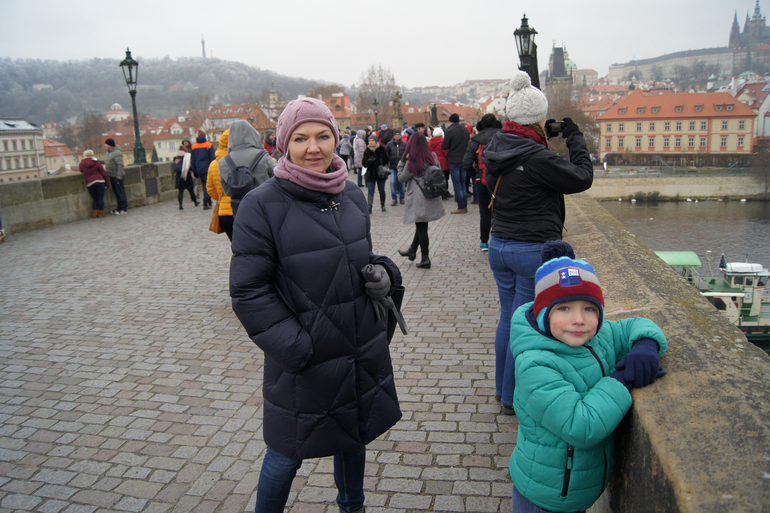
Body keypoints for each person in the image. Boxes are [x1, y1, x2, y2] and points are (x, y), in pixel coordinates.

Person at [229, 97, 402, 513]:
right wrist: (298, 348)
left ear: (335, 139)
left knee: (353, 436)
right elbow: (249, 292)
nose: (313, 148)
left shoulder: (352, 195)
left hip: (357, 349)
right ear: (284, 144)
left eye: (322, 136)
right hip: (306, 359)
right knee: (286, 452)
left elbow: (360, 257)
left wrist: (383, 273)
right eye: (301, 138)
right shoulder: (261, 205)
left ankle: (352, 507)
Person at [509, 240, 667, 513]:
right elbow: (581, 426)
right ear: (544, 313)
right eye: (564, 308)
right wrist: (622, 380)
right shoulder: (535, 364)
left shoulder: (597, 336)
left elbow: (636, 324)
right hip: (547, 495)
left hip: (574, 488)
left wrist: (645, 346)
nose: (579, 320)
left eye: (589, 308)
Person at [482, 70, 594, 415]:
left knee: (507, 318)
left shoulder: (496, 146)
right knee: (526, 324)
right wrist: (575, 138)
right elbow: (582, 177)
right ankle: (512, 398)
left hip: (500, 245)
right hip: (530, 249)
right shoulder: (536, 157)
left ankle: (502, 389)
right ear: (537, 118)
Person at [396, 132, 445, 269]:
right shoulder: (432, 156)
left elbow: (401, 177)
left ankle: (425, 258)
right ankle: (412, 250)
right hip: (431, 195)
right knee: (421, 225)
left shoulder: (413, 160)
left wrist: (402, 161)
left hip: (419, 198)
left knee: (422, 228)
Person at [218, 120, 276, 220]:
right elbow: (278, 176)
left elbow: (227, 190)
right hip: (266, 207)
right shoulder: (263, 156)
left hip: (240, 211)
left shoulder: (223, 162)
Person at [462, 114, 501, 252]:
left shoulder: (475, 141)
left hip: (481, 180)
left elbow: (466, 163)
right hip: (501, 180)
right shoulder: (503, 137)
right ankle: (500, 240)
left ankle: (484, 242)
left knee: (485, 213)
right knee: (502, 211)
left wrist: (475, 175)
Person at [442, 113, 470, 214]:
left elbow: (445, 146)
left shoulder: (450, 131)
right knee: (463, 183)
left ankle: (461, 206)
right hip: (464, 158)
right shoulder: (465, 130)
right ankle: (465, 205)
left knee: (457, 184)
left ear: (450, 121)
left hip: (454, 160)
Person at [206, 130, 231, 237]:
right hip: (242, 210)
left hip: (224, 212)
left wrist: (222, 199)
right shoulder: (242, 160)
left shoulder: (213, 164)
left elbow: (210, 189)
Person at [78, 149, 109, 218]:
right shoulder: (97, 162)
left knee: (95, 198)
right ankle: (101, 213)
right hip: (100, 181)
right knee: (100, 198)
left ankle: (95, 213)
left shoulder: (82, 164)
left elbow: (81, 170)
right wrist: (107, 183)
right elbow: (103, 173)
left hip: (90, 183)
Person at [363, 135, 389, 213]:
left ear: (376, 141)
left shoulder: (381, 149)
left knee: (382, 190)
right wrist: (368, 161)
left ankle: (383, 205)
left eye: (372, 141)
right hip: (371, 174)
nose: (371, 142)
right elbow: (364, 163)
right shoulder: (367, 151)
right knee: (370, 191)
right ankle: (369, 206)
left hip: (380, 173)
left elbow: (386, 160)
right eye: (369, 141)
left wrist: (380, 159)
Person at [191, 129, 216, 210]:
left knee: (204, 185)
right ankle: (206, 201)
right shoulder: (209, 145)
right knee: (207, 185)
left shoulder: (194, 146)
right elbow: (213, 158)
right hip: (208, 167)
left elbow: (193, 160)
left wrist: (194, 171)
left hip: (199, 168)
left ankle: (208, 200)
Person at [103, 138, 127, 215]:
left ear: (109, 145)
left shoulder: (117, 153)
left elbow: (120, 165)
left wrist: (119, 176)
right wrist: (96, 160)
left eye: (106, 144)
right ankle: (119, 208)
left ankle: (123, 208)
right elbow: (106, 161)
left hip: (117, 176)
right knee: (117, 193)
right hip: (112, 176)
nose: (105, 145)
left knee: (120, 193)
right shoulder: (109, 153)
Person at [385, 129, 407, 206]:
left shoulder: (404, 144)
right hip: (392, 166)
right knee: (392, 182)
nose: (397, 136)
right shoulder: (389, 144)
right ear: (393, 136)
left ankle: (402, 198)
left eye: (398, 134)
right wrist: (387, 165)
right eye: (396, 134)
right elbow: (386, 155)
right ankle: (394, 198)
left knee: (402, 183)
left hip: (402, 167)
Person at [174, 146, 198, 210]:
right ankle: (195, 202)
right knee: (191, 190)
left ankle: (180, 205)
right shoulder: (186, 157)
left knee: (180, 191)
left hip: (179, 176)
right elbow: (189, 167)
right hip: (186, 175)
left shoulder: (176, 158)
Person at [428, 127, 450, 197]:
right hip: (444, 163)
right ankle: (445, 191)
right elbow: (446, 153)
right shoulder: (443, 142)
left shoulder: (429, 143)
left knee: (437, 179)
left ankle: (439, 192)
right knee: (445, 178)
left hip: (434, 163)